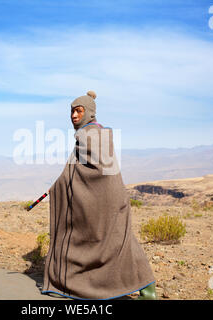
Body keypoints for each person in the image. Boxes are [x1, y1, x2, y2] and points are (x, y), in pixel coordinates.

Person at [41, 90, 157, 300]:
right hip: (115, 197)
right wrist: (61, 183)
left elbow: (82, 171)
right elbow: (83, 168)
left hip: (101, 200)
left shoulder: (87, 135)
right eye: (72, 112)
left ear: (89, 112)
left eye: (79, 111)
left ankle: (73, 283)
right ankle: (148, 290)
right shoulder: (100, 133)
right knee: (121, 241)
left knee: (80, 237)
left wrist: (58, 187)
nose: (74, 116)